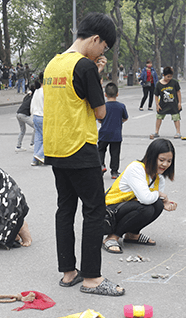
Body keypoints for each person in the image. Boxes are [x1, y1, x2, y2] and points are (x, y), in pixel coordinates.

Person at [43, 12, 124, 296]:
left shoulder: (53, 64)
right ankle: (92, 278)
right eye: (103, 47)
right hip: (80, 146)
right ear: (96, 39)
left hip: (55, 149)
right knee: (94, 210)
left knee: (65, 208)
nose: (102, 52)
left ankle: (69, 273)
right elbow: (100, 111)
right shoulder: (85, 67)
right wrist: (96, 74)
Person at [102, 139, 177, 254]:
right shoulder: (136, 168)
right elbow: (146, 198)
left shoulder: (158, 178)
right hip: (108, 211)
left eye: (169, 161)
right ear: (152, 157)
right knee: (145, 207)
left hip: (125, 208)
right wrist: (159, 195)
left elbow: (152, 199)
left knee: (156, 205)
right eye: (161, 160)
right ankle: (112, 237)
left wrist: (164, 202)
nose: (165, 164)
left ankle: (132, 234)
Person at [98, 83, 129, 179]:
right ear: (117, 94)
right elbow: (125, 118)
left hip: (104, 133)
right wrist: (120, 122)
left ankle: (101, 165)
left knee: (101, 150)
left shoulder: (103, 106)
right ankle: (114, 172)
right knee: (115, 153)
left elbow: (99, 119)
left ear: (105, 94)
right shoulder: (121, 106)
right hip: (116, 134)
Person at [150, 66, 182, 140]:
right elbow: (156, 95)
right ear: (163, 75)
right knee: (159, 117)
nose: (169, 78)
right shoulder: (159, 84)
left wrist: (179, 103)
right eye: (168, 77)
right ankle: (156, 132)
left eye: (171, 77)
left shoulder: (174, 82)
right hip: (163, 104)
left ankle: (178, 132)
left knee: (176, 117)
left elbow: (178, 92)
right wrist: (157, 105)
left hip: (173, 104)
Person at [15, 88, 35, 153]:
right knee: (36, 127)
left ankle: (18, 146)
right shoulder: (34, 98)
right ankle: (32, 143)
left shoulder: (27, 96)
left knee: (22, 130)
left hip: (18, 113)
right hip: (24, 114)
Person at [31, 73, 44, 166]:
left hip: (35, 115)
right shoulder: (46, 91)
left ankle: (35, 158)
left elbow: (32, 105)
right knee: (49, 138)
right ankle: (40, 155)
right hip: (43, 116)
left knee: (38, 138)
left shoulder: (37, 90)